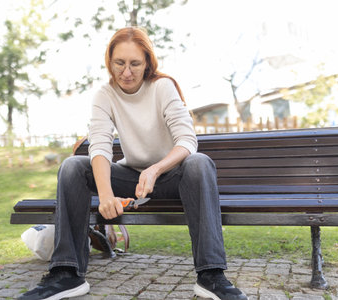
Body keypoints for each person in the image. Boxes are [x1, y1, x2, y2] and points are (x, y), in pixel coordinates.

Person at [19, 27, 247, 300]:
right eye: (120, 63)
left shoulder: (163, 87)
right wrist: (105, 195)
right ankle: (66, 274)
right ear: (110, 62)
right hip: (130, 178)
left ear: (147, 63)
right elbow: (100, 146)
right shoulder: (105, 95)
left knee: (199, 163)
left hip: (171, 177)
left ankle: (211, 275)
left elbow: (187, 141)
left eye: (135, 64)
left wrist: (156, 168)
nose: (126, 72)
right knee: (72, 167)